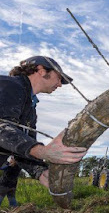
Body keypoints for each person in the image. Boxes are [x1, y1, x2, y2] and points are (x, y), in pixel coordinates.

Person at [0, 56, 87, 188]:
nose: (59, 84)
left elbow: (22, 149)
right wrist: (42, 151)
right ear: (41, 70)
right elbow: (2, 129)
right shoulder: (9, 85)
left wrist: (40, 171)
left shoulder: (30, 110)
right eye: (58, 78)